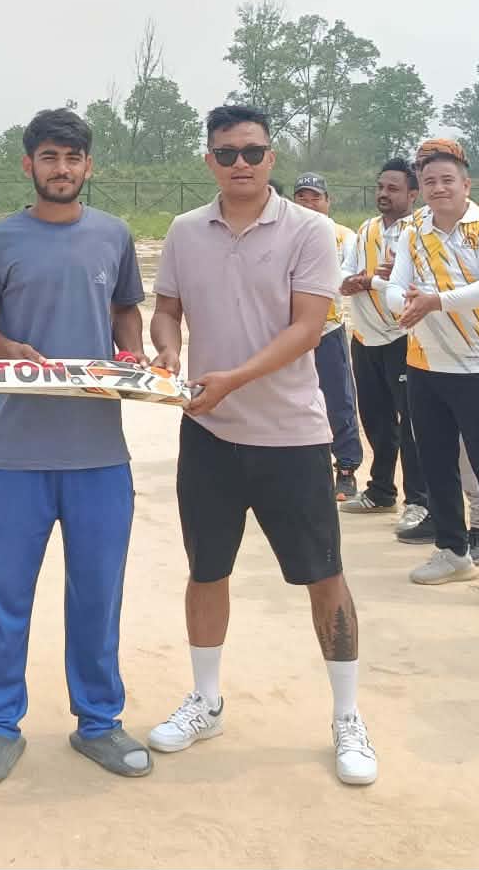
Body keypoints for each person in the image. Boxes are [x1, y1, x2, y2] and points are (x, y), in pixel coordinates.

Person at [147, 105, 377, 786]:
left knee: (323, 575)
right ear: (209, 161)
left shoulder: (309, 230)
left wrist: (235, 379)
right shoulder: (186, 231)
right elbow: (167, 308)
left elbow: (308, 328)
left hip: (291, 435)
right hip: (208, 432)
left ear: (271, 158)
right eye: (226, 153)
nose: (240, 164)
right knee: (206, 570)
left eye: (252, 151)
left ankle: (347, 716)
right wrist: (168, 351)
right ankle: (206, 700)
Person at [0, 108, 152, 784]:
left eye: (72, 158)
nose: (61, 169)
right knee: (6, 596)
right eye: (49, 157)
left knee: (97, 593)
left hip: (99, 454)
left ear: (88, 166)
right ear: (29, 165)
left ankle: (98, 721)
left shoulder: (113, 235)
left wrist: (133, 354)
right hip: (16, 453)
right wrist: (8, 348)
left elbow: (126, 308)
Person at [381, 138, 479, 614]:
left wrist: (434, 301)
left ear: (467, 184)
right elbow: (394, 286)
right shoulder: (413, 231)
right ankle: (452, 550)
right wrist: (405, 302)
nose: (439, 188)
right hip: (424, 364)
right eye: (430, 182)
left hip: (477, 365)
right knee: (436, 462)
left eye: (448, 180)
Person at [338, 159, 428, 528]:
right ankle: (380, 491)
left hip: (403, 338)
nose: (383, 194)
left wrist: (370, 281)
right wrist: (360, 280)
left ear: (412, 194)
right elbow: (343, 276)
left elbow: (411, 286)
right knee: (375, 419)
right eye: (380, 187)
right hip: (365, 337)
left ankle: (419, 500)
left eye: (393, 188)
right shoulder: (366, 229)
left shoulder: (420, 231)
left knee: (411, 424)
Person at [292, 174, 363, 500]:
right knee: (290, 398)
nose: (309, 204)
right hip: (289, 332)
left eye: (315, 198)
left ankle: (346, 468)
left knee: (338, 399)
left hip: (327, 329)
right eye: (302, 198)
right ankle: (298, 467)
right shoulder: (284, 233)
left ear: (327, 201)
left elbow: (350, 275)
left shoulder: (344, 237)